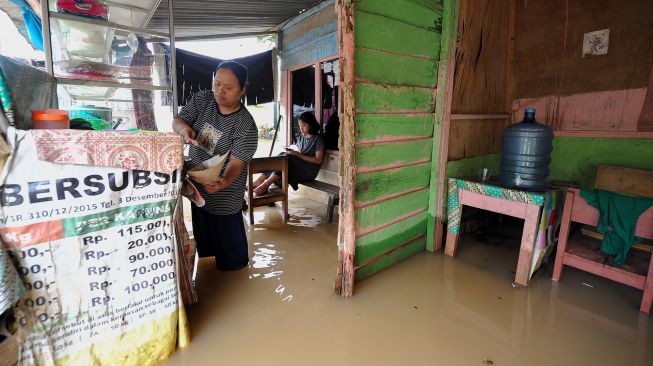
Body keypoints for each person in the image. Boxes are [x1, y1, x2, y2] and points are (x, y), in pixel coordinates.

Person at [172, 61, 258, 271]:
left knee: (232, 262)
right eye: (217, 83)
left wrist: (224, 181)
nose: (220, 91)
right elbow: (178, 120)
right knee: (207, 253)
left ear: (242, 90)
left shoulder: (245, 124)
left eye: (228, 88)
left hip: (225, 194)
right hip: (198, 189)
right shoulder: (203, 100)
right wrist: (184, 130)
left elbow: (237, 162)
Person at [252, 111, 324, 195]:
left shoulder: (317, 139)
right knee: (281, 155)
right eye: (300, 126)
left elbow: (318, 160)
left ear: (311, 124)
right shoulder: (301, 138)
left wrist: (298, 155)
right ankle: (260, 180)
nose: (301, 128)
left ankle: (265, 185)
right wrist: (292, 151)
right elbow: (298, 152)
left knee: (287, 159)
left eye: (303, 125)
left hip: (309, 171)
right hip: (300, 167)